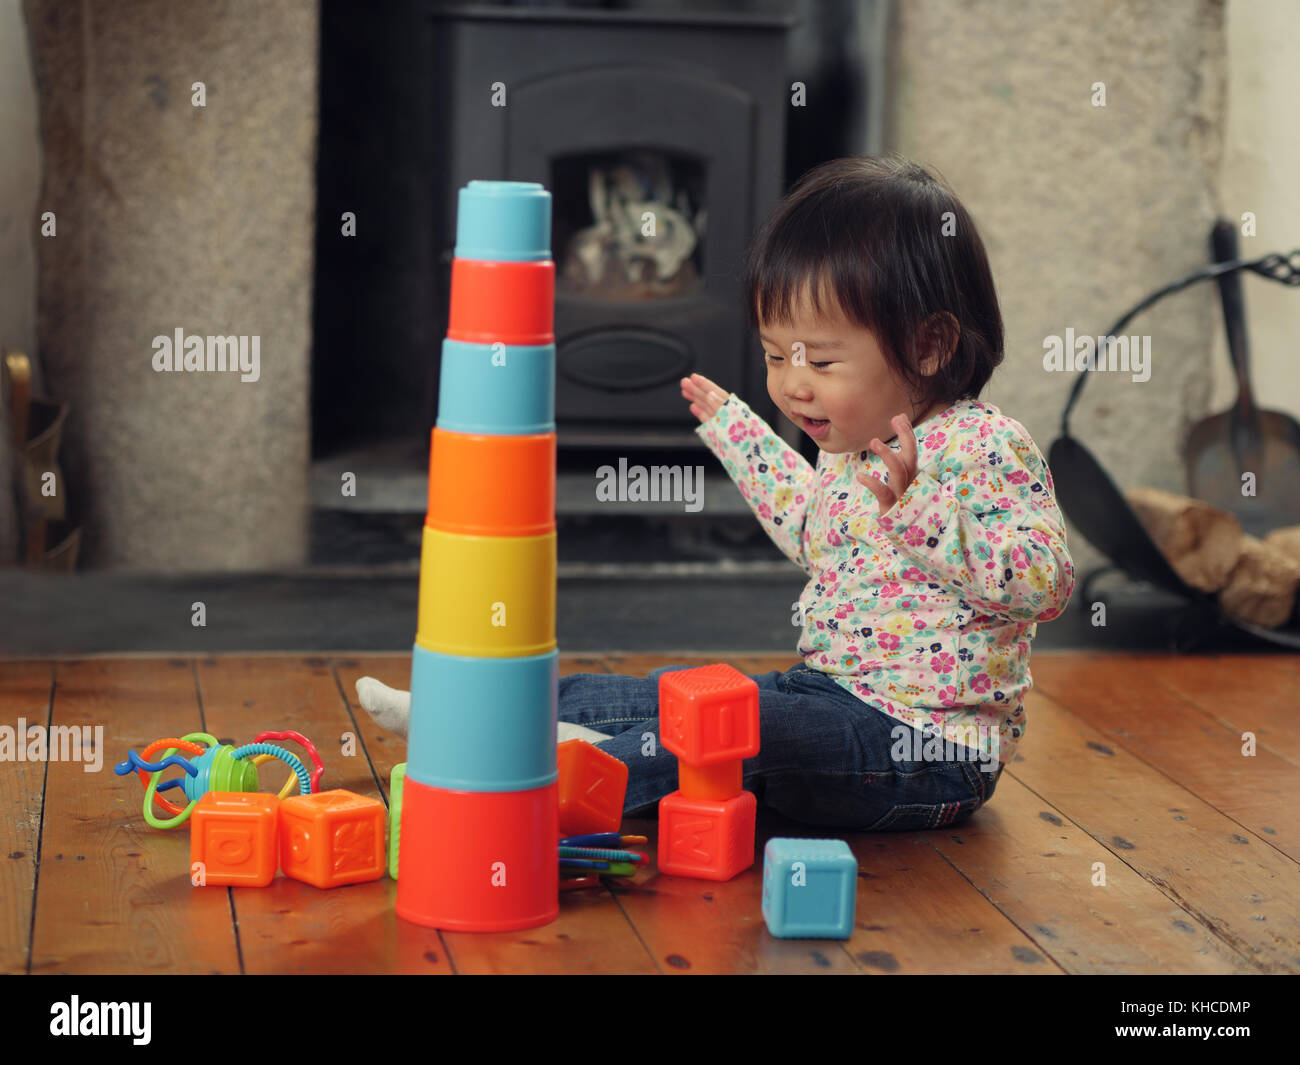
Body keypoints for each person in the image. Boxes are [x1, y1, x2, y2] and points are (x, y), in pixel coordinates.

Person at [554, 155, 1074, 829]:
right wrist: (739, 433)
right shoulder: (849, 443)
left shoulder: (983, 445)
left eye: (821, 361)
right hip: (827, 693)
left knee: (749, 728)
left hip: (929, 745)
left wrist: (921, 514)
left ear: (928, 345)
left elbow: (1047, 583)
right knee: (686, 690)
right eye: (776, 356)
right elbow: (811, 532)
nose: (794, 384)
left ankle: (558, 790)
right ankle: (496, 724)